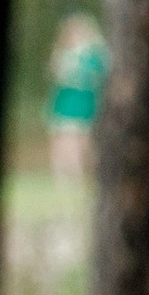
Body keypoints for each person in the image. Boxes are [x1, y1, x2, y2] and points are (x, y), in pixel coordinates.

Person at [49, 13, 108, 181]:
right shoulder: (65, 54)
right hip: (68, 103)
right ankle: (66, 175)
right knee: (66, 139)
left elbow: (100, 73)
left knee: (86, 141)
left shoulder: (95, 54)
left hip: (87, 104)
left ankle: (83, 173)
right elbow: (60, 74)